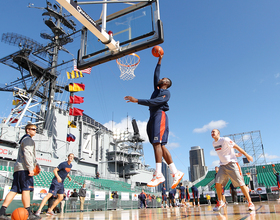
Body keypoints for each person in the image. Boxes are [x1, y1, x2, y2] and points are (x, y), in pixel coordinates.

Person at [124, 55, 183, 188]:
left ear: (166, 83)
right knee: (159, 146)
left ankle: (158, 174)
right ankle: (175, 172)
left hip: (159, 115)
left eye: (163, 79)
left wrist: (137, 100)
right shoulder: (157, 89)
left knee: (157, 143)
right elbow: (156, 75)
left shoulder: (166, 93)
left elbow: (155, 102)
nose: (161, 79)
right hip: (152, 116)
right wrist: (159, 61)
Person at [0, 124, 41, 220]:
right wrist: (30, 168)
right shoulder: (28, 140)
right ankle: (29, 213)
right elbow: (28, 153)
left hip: (18, 169)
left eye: (36, 129)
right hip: (24, 169)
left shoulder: (23, 139)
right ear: (28, 130)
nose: (35, 131)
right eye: (33, 129)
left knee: (14, 190)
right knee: (26, 190)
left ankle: (2, 212)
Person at [211, 129, 255, 211]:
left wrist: (247, 155)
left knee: (241, 184)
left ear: (218, 133)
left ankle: (250, 202)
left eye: (214, 132)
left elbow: (236, 146)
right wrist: (235, 154)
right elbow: (224, 152)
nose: (212, 133)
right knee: (217, 183)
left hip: (232, 164)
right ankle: (220, 202)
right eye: (211, 132)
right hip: (222, 166)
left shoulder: (225, 139)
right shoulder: (214, 143)